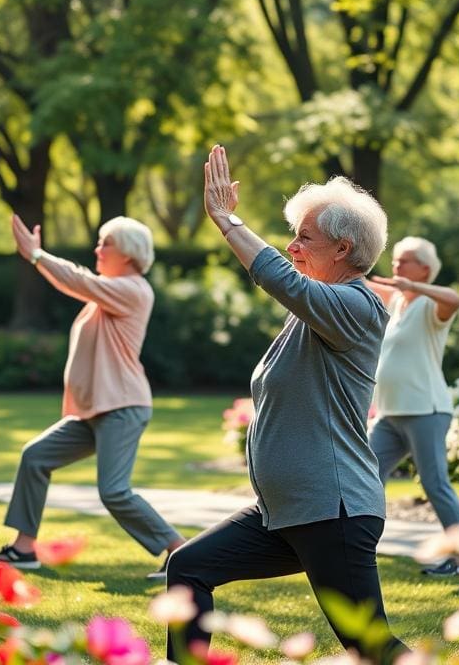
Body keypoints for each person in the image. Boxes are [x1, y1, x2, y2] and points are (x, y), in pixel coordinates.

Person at [165, 145, 407, 664]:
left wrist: (228, 222)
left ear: (343, 249)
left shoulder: (356, 306)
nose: (293, 246)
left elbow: (280, 278)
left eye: (305, 237)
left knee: (371, 646)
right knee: (188, 568)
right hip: (286, 512)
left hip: (332, 510)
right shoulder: (313, 313)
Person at [0, 215, 185, 577]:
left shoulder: (133, 289)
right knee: (36, 457)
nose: (97, 249)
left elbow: (77, 280)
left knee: (114, 491)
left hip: (122, 407)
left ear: (130, 254)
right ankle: (23, 550)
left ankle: (180, 551)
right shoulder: (108, 291)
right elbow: (82, 282)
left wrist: (37, 256)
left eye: (106, 244)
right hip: (94, 411)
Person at [366, 236, 459, 576]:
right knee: (363, 473)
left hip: (426, 410)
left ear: (425, 268)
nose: (397, 266)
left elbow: (455, 299)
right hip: (389, 414)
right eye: (396, 260)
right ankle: (356, 547)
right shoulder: (397, 303)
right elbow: (358, 282)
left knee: (434, 483)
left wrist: (413, 286)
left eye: (406, 260)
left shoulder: (431, 306)